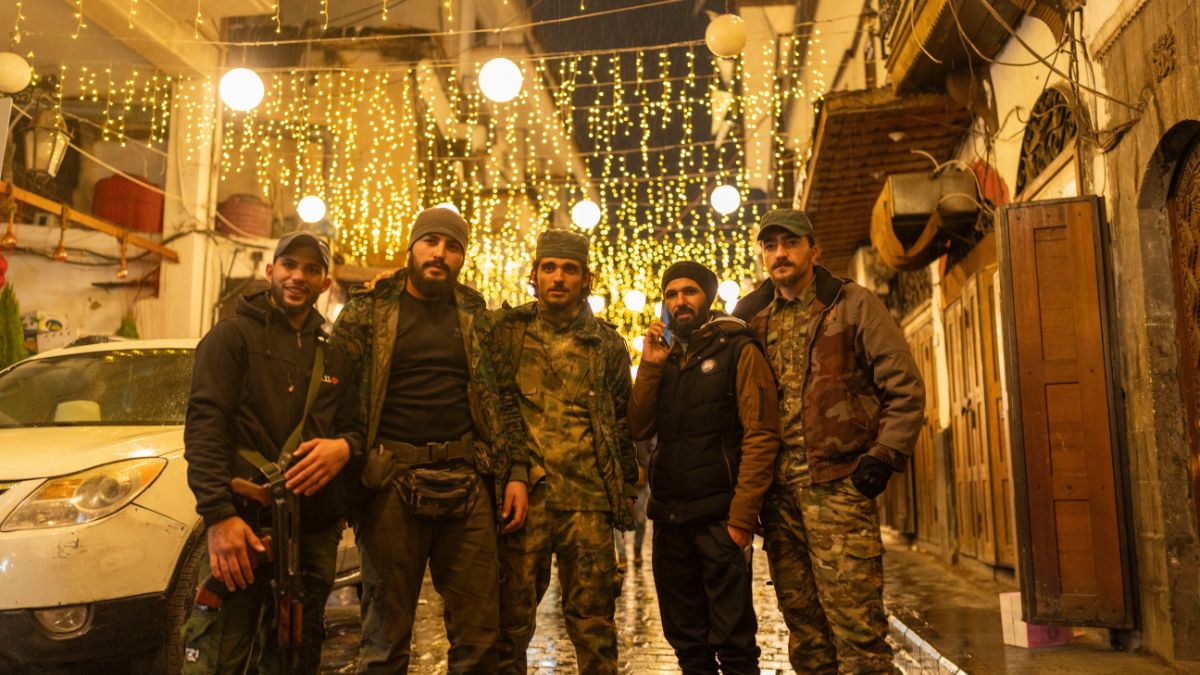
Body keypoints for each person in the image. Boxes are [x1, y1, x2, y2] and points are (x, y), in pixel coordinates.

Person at [329, 207, 530, 673]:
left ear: (462, 256)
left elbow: (503, 398)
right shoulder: (369, 310)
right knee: (385, 638)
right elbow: (335, 394)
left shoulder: (476, 317)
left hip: (467, 479)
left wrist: (516, 472)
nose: (440, 254)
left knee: (480, 638)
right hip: (391, 480)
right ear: (413, 247)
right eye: (431, 242)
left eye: (453, 246)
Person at [732, 209, 925, 673]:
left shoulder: (852, 303)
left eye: (791, 243)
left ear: (813, 250)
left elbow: (904, 387)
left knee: (858, 630)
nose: (780, 253)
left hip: (839, 488)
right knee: (806, 632)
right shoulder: (751, 318)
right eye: (771, 245)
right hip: (777, 499)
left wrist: (883, 455)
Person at [182, 230, 364, 674]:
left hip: (312, 532)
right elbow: (205, 428)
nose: (298, 276)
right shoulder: (231, 338)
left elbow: (357, 428)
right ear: (270, 271)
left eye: (311, 269)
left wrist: (345, 448)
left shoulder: (336, 354)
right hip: (241, 525)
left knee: (295, 654)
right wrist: (219, 517)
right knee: (221, 652)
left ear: (326, 283)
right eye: (289, 265)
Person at [494, 229, 638, 675]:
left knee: (595, 628)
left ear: (586, 279)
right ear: (533, 275)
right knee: (509, 626)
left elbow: (619, 422)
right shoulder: (508, 333)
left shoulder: (607, 344)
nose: (558, 278)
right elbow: (496, 407)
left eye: (569, 269)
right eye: (549, 268)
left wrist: (626, 488)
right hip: (525, 502)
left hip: (588, 505)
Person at [628, 261, 781, 674]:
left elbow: (761, 433)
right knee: (687, 645)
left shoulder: (738, 348)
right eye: (671, 294)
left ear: (707, 297)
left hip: (719, 521)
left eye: (689, 291)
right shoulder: (665, 356)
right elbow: (639, 426)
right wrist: (652, 365)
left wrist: (742, 520)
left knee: (734, 646)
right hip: (671, 522)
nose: (680, 301)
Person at [614, 438, 652, 568]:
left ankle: (637, 550)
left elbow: (653, 448)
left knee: (641, 518)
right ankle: (622, 555)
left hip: (642, 479)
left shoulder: (643, 422)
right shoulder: (616, 420)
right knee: (618, 518)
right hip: (620, 478)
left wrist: (645, 470)